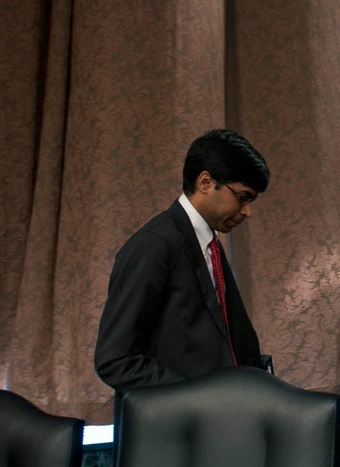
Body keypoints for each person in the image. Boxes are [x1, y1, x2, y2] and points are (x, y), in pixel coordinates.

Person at [95, 128, 270, 395]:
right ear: (206, 183)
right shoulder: (153, 244)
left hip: (226, 416)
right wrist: (196, 395)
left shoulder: (208, 241)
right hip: (180, 426)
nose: (248, 212)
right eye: (243, 197)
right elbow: (115, 360)